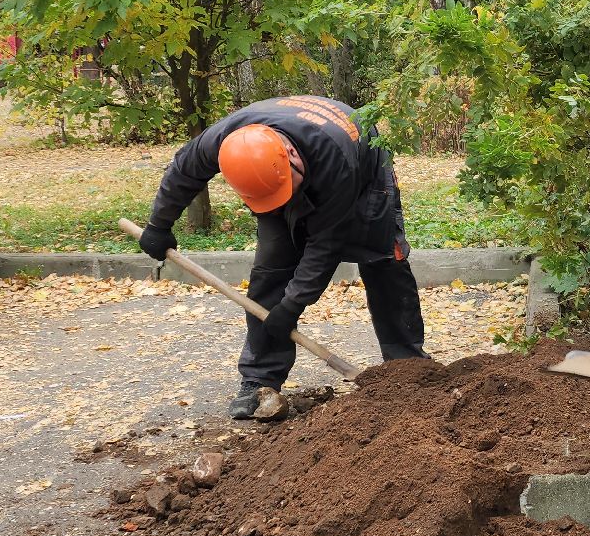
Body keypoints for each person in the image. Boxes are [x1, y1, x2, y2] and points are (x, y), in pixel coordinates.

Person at [135, 95, 427, 420]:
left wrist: (291, 307)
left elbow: (324, 246)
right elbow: (183, 171)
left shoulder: (337, 160)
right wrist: (158, 225)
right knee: (271, 268)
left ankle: (407, 364)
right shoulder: (226, 141)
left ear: (290, 155)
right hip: (280, 174)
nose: (281, 206)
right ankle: (260, 380)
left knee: (384, 259)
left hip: (362, 172)